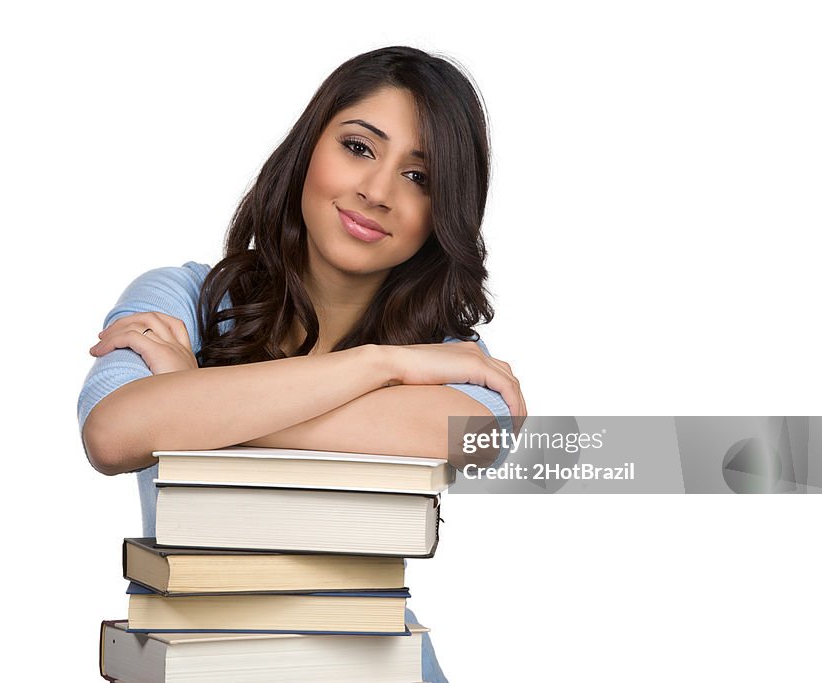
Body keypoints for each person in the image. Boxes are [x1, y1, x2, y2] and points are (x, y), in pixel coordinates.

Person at [77, 45, 526, 683]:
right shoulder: (179, 299)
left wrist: (192, 399)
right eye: (360, 147)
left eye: (419, 177)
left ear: (443, 214)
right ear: (309, 148)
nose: (376, 192)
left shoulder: (450, 362)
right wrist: (379, 366)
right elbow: (112, 433)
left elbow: (477, 437)